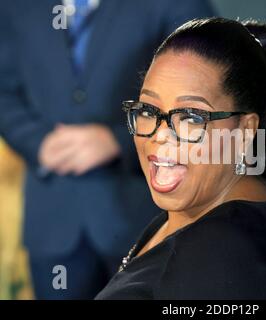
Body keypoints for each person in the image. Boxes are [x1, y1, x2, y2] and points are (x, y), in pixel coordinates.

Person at [95, 17, 266, 300]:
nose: (160, 135)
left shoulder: (217, 254)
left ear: (245, 130)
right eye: (148, 110)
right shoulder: (230, 214)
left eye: (191, 117)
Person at [0, 0, 215, 299]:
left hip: (151, 217)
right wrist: (39, 143)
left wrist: (121, 138)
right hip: (52, 216)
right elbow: (4, 91)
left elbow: (206, 83)